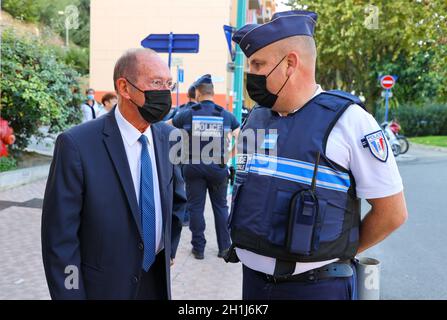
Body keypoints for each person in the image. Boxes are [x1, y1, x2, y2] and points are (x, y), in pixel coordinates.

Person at [226, 10, 408, 300]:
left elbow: (392, 213)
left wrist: (334, 251)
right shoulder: (257, 118)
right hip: (254, 284)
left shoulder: (350, 121)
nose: (251, 74)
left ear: (290, 64)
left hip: (316, 288)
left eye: (258, 64)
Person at [42, 48, 186, 300]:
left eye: (168, 84)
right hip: (103, 288)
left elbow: (177, 200)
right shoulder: (77, 144)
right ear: (124, 87)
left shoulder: (168, 137)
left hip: (156, 283)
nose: (165, 92)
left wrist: (168, 249)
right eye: (155, 83)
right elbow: (60, 239)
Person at [168, 74, 240, 259]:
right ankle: (224, 248)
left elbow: (165, 128)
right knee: (221, 207)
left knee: (195, 208)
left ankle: (198, 249)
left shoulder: (188, 113)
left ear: (198, 93)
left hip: (193, 167)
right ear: (213, 93)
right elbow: (242, 140)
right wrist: (228, 157)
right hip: (218, 166)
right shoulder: (226, 115)